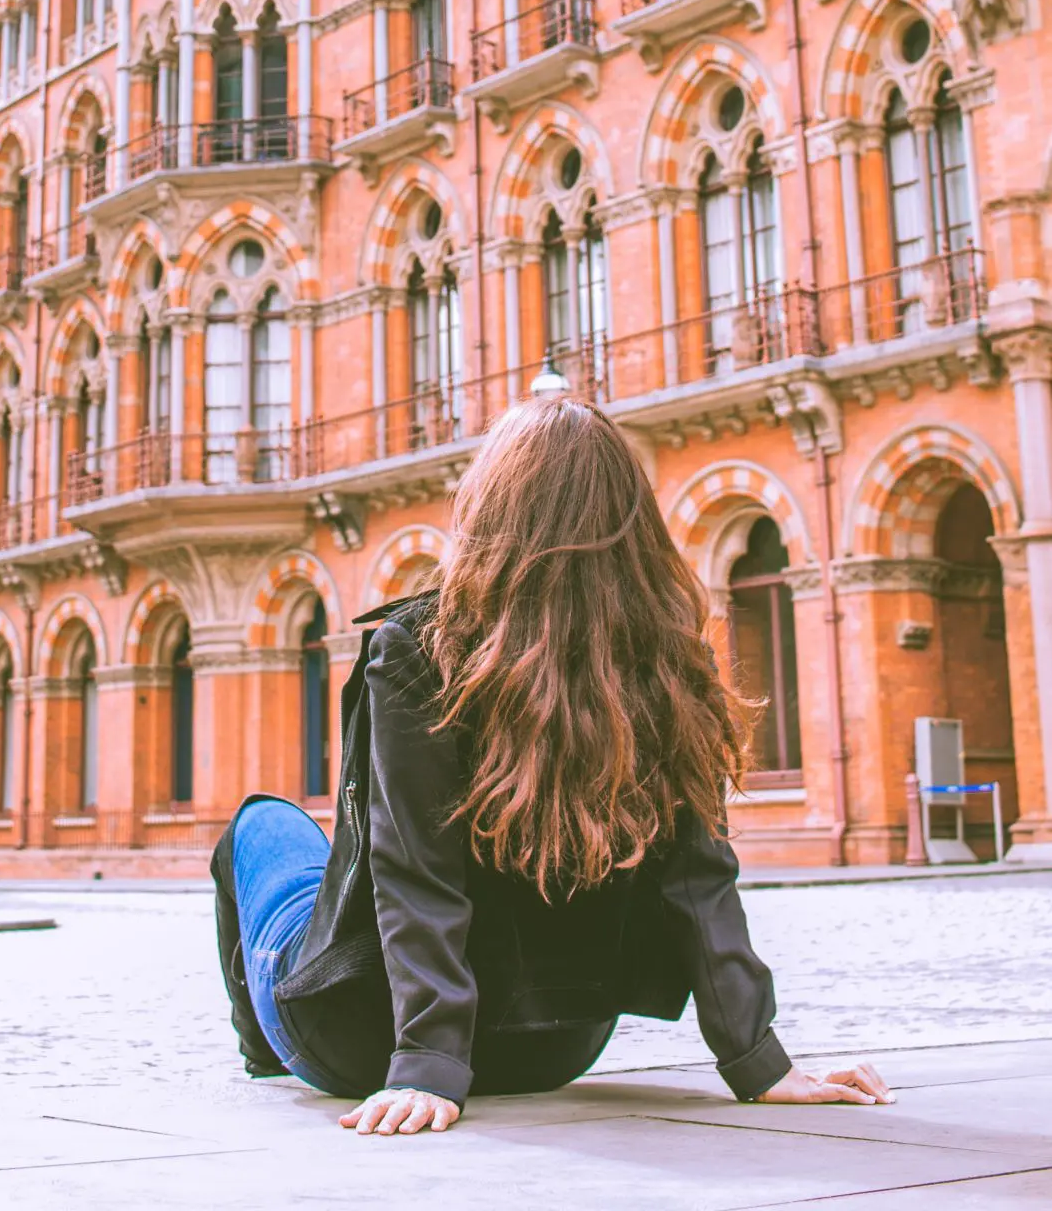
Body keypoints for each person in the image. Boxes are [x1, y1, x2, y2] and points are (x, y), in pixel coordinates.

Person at [212, 396, 894, 1135]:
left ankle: (265, 1056)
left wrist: (429, 1065)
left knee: (262, 826)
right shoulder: (668, 657)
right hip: (556, 1046)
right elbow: (698, 876)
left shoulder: (419, 647)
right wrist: (760, 1062)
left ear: (485, 508)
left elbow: (414, 868)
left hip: (364, 1042)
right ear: (630, 521)